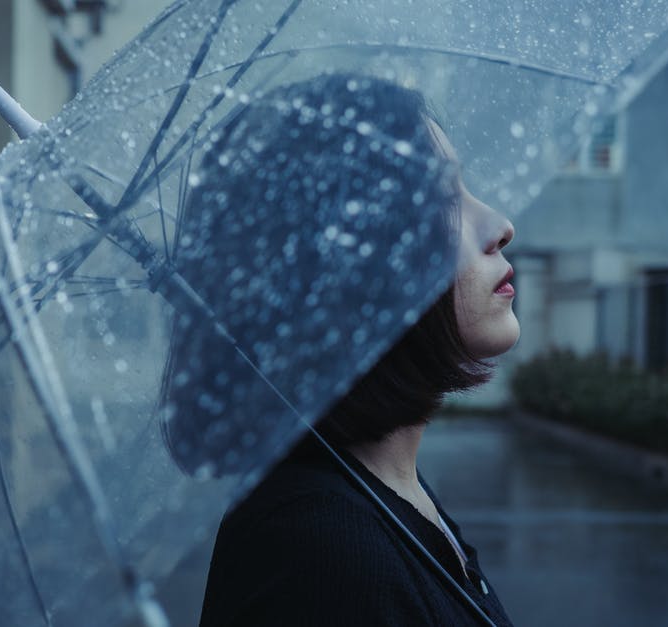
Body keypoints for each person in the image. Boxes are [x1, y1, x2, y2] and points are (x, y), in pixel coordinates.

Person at [162, 72, 518, 626]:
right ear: (351, 266)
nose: (499, 225)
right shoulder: (324, 558)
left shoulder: (382, 492)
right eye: (444, 199)